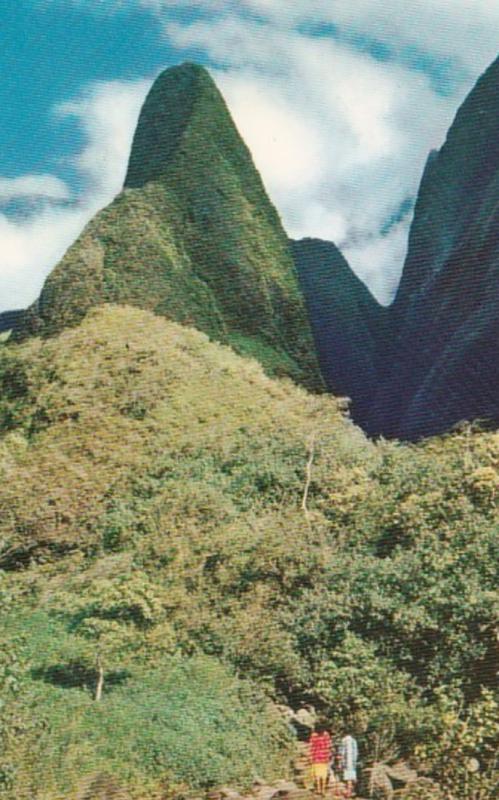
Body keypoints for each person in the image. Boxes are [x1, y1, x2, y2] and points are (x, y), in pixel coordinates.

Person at [308, 722, 332, 796]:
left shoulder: (313, 736)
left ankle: (318, 789)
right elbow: (329, 746)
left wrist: (310, 756)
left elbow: (311, 747)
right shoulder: (326, 735)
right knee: (324, 774)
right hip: (324, 757)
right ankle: (323, 790)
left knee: (317, 774)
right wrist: (329, 754)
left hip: (316, 757)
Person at [338, 733, 358, 798]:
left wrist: (340, 762)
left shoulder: (343, 741)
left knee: (348, 779)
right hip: (353, 762)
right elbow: (356, 752)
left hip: (346, 762)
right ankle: (352, 791)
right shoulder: (354, 741)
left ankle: (349, 793)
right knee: (352, 778)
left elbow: (342, 752)